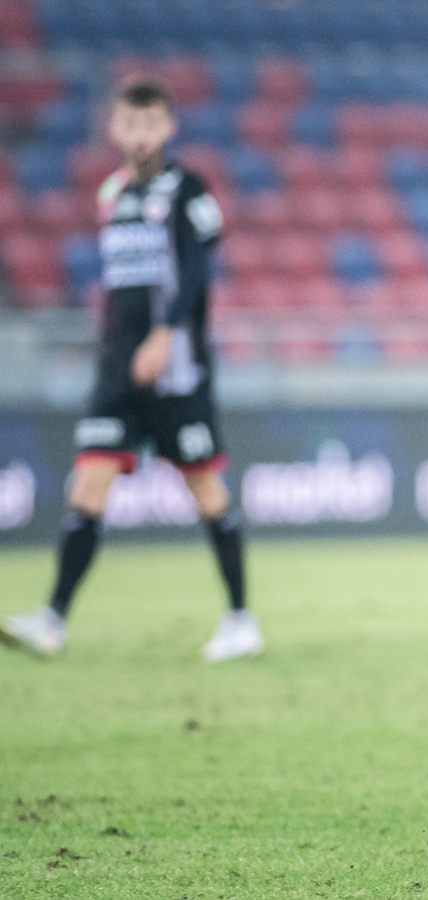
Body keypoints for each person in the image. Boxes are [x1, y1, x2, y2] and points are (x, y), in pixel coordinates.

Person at [0, 80, 261, 663]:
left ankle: (241, 619)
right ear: (114, 129)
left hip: (176, 371)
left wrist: (165, 334)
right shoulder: (112, 192)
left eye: (150, 124)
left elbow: (197, 269)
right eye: (130, 124)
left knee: (205, 489)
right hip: (117, 371)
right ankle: (52, 620)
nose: (140, 135)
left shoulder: (187, 188)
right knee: (89, 483)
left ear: (167, 128)